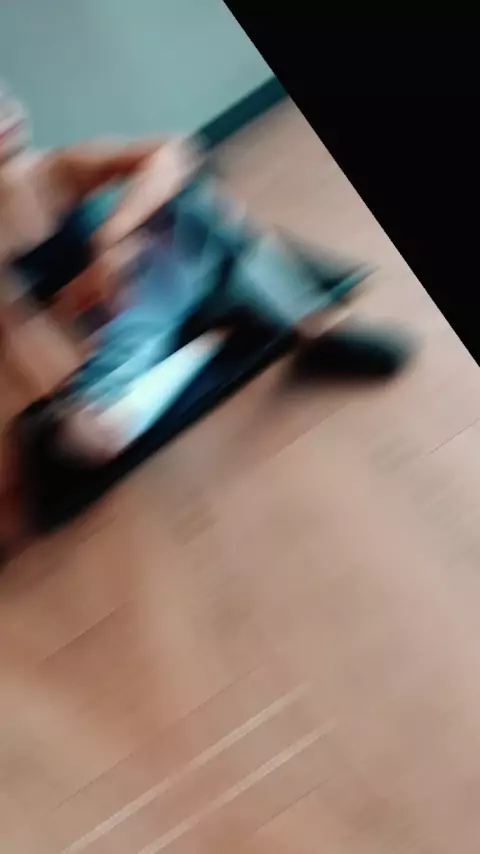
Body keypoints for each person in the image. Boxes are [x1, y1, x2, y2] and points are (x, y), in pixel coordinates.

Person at [0, 82, 412, 556]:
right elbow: (17, 339)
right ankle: (226, 319)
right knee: (73, 444)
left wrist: (111, 240)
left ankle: (315, 329)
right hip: (123, 334)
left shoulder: (57, 169)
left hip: (165, 273)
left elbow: (172, 153)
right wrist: (64, 407)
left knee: (189, 195)